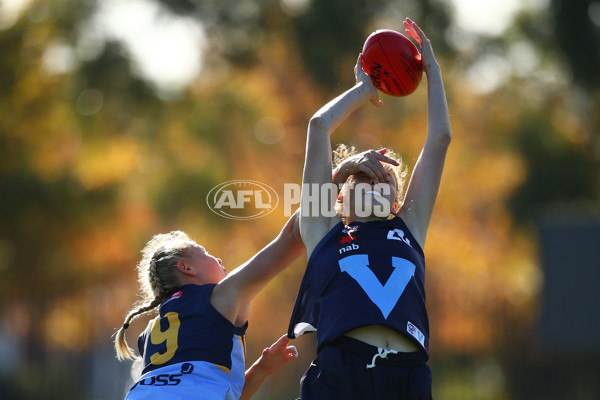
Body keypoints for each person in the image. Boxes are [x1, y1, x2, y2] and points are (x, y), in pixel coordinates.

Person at [288, 18, 451, 399]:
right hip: (341, 370)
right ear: (340, 197)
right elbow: (318, 126)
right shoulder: (324, 231)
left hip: (407, 376)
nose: (376, 180)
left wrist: (433, 72)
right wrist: (363, 90)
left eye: (385, 181)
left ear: (397, 202)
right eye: (363, 177)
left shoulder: (408, 228)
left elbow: (440, 138)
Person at [115, 211, 304, 400]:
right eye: (205, 253)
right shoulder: (218, 299)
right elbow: (293, 237)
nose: (219, 259)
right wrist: (323, 192)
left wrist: (260, 371)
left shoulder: (150, 333)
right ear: (186, 267)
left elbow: (202, 390)